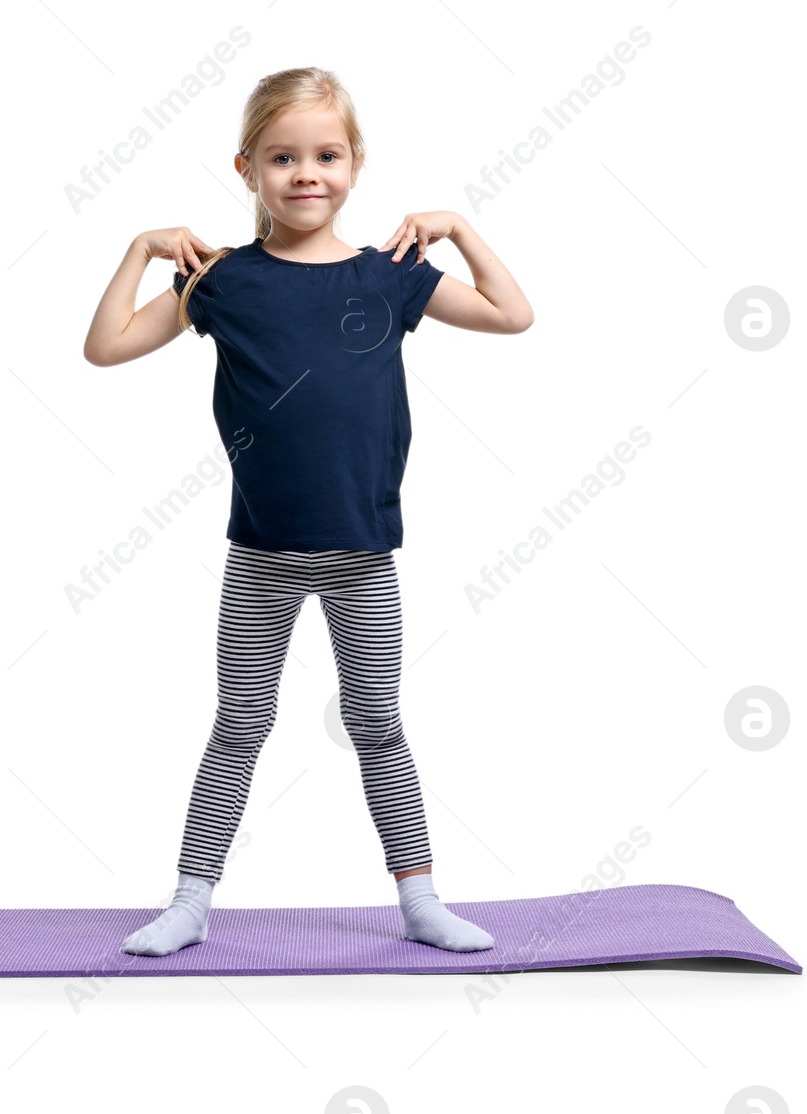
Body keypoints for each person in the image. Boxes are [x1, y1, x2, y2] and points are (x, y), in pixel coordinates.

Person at [82, 67, 534, 957]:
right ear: (248, 168)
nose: (306, 174)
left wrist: (461, 229)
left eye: (326, 155)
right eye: (284, 157)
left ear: (355, 165)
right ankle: (189, 899)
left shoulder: (394, 276)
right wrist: (141, 251)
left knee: (377, 722)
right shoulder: (220, 283)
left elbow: (511, 314)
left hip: (363, 553)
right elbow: (105, 348)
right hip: (261, 554)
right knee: (241, 722)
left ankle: (420, 898)